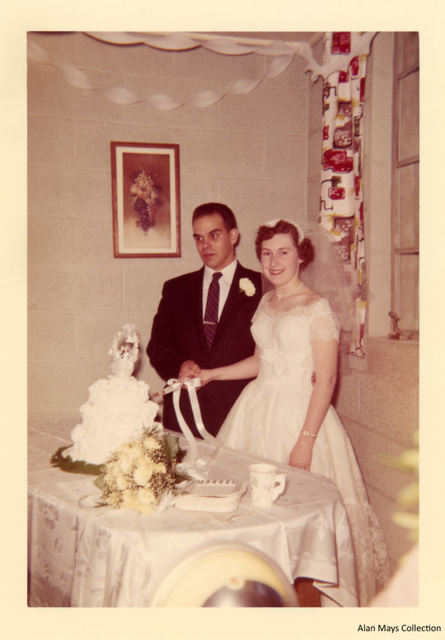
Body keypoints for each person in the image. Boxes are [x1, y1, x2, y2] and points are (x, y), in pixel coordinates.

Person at [199, 218, 391, 606]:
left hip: (299, 419)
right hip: (256, 408)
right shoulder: (267, 301)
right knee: (254, 518)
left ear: (300, 255)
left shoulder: (316, 307)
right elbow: (261, 362)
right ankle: (263, 599)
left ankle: (308, 606)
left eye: (283, 252)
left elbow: (326, 379)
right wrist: (211, 374)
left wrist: (306, 441)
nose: (273, 262)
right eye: (267, 253)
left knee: (302, 529)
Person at [147, 203, 262, 438]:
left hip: (242, 411)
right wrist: (179, 364)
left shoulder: (263, 287)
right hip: (185, 413)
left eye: (214, 235)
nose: (205, 245)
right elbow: (157, 346)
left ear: (233, 236)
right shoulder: (176, 289)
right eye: (198, 238)